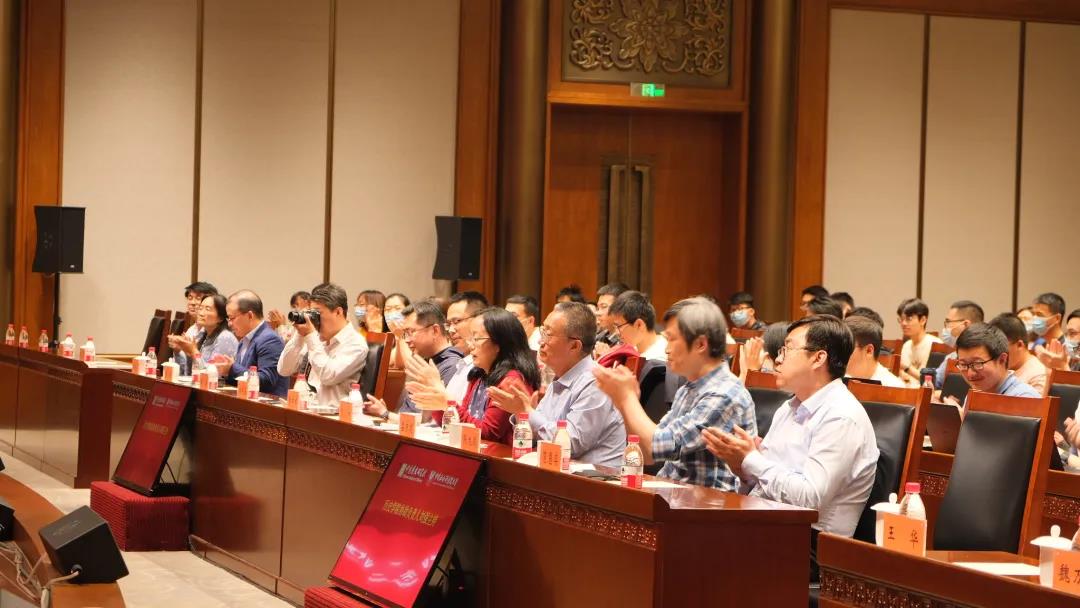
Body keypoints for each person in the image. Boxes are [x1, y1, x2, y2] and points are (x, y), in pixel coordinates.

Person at [702, 315, 878, 543]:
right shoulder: (788, 408)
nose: (777, 359)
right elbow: (766, 482)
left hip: (811, 542)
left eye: (787, 350)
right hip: (768, 524)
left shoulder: (841, 417)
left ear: (818, 358)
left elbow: (810, 499)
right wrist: (742, 468)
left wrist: (752, 460)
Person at [593, 297, 756, 491]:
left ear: (700, 344)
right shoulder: (689, 388)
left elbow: (654, 447)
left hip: (708, 503)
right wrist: (624, 401)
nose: (667, 349)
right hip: (677, 494)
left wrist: (627, 398)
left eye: (671, 339)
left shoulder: (724, 394)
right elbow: (644, 451)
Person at [488, 302, 626, 467]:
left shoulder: (595, 382)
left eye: (548, 334)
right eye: (543, 331)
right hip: (559, 473)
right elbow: (539, 436)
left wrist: (526, 412)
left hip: (594, 478)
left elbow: (569, 445)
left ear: (574, 346)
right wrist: (522, 415)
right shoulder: (561, 377)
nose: (540, 341)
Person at [406, 308, 540, 444]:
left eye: (476, 339)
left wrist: (447, 402)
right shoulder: (478, 374)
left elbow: (488, 433)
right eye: (470, 339)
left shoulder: (511, 380)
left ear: (499, 343)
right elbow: (452, 425)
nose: (470, 345)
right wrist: (438, 402)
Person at [364, 299, 463, 422]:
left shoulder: (452, 365)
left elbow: (427, 423)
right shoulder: (426, 359)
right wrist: (384, 412)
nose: (407, 339)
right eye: (405, 333)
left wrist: (385, 414)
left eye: (411, 332)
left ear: (435, 330)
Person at [278, 283, 368, 408]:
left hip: (333, 416)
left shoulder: (355, 344)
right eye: (312, 313)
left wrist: (310, 336)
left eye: (318, 313)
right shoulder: (315, 338)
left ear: (338, 312)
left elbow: (328, 376)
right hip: (306, 409)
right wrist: (299, 336)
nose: (315, 320)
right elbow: (284, 370)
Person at [214, 290, 288, 397]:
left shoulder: (270, 339)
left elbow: (267, 380)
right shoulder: (244, 340)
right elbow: (241, 378)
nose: (229, 324)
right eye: (228, 318)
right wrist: (225, 371)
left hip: (266, 404)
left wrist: (232, 369)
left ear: (249, 315)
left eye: (232, 318)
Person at [951, 323, 1040, 400]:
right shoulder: (976, 394)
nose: (970, 374)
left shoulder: (1024, 398)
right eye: (963, 364)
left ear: (1002, 360)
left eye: (977, 364)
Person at [168, 294, 238, 375]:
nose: (201, 313)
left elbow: (213, 374)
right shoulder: (203, 335)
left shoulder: (225, 337)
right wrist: (178, 350)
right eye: (200, 308)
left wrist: (194, 351)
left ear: (220, 317)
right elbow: (187, 373)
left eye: (207, 309)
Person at [929, 300, 984, 388]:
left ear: (966, 324)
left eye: (948, 322)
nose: (945, 328)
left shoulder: (986, 360)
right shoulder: (952, 356)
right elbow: (934, 382)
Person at [989, 313, 1048, 394]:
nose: (997, 354)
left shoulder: (1038, 374)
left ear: (1019, 345)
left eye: (1001, 348)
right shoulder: (999, 368)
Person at [844, 316, 904, 387]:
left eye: (847, 347)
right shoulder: (838, 379)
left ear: (869, 350)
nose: (839, 354)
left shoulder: (893, 387)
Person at [607, 291, 667, 361]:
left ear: (639, 325)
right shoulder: (634, 348)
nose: (617, 332)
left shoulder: (658, 360)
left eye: (619, 326)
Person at [896, 298, 941, 386]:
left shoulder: (935, 345)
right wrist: (901, 373)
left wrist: (907, 368)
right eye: (901, 319)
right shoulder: (906, 345)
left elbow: (932, 381)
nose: (903, 323)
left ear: (923, 320)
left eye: (909, 319)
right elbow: (904, 375)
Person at [594, 282, 630, 355]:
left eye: (603, 307)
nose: (597, 313)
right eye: (598, 308)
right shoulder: (599, 337)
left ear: (620, 308)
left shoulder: (628, 340)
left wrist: (607, 356)